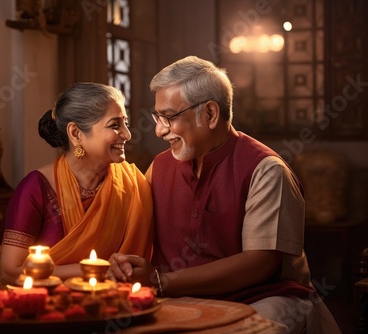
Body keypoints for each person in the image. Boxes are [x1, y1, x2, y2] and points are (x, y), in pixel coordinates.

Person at [108, 56, 341, 333]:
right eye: (157, 118)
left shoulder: (266, 170)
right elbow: (138, 231)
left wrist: (161, 281)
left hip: (263, 297)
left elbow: (259, 264)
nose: (159, 130)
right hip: (176, 297)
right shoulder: (159, 167)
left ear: (210, 114)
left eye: (169, 117)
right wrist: (125, 263)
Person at [0, 82, 153, 285]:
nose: (127, 134)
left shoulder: (133, 185)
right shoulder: (36, 187)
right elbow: (10, 271)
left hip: (115, 304)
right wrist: (94, 270)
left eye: (126, 124)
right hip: (48, 307)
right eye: (115, 125)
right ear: (76, 134)